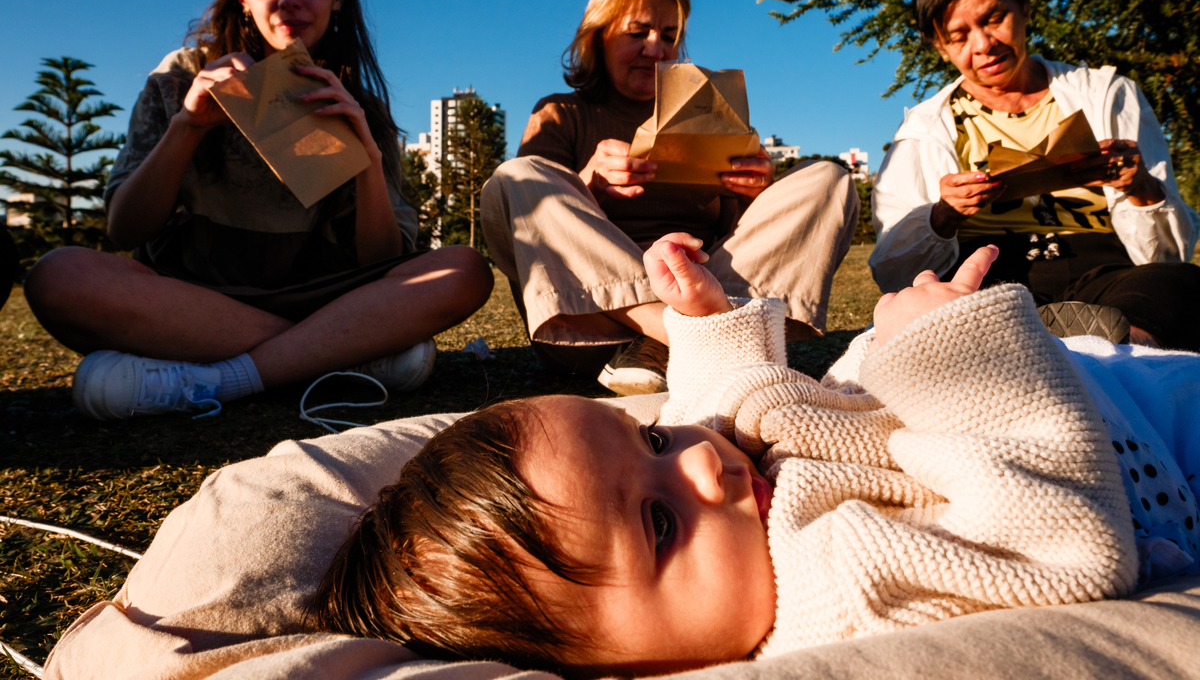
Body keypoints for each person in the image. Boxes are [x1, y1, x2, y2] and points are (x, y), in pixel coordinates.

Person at [309, 234, 1199, 676]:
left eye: (648, 440)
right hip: (1146, 427)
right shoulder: (839, 587)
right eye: (660, 526)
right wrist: (955, 354)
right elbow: (1051, 547)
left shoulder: (723, 503)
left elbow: (708, 403)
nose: (704, 463)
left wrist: (703, 322)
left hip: (1083, 367)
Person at [22, 0, 493, 420]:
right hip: (192, 299)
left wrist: (367, 160)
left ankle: (216, 378)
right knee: (58, 276)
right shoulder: (182, 77)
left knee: (465, 269)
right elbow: (125, 228)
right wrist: (188, 126)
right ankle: (342, 355)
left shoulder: (355, 103)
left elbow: (380, 258)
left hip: (321, 298)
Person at [481, 0, 859, 395]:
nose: (655, 48)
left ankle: (683, 337)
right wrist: (587, 184)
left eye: (668, 35)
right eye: (637, 32)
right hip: (593, 326)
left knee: (828, 179)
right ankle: (691, 334)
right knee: (516, 178)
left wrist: (753, 195)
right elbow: (529, 229)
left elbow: (737, 241)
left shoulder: (708, 116)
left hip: (706, 286)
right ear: (599, 35)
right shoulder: (560, 114)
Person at [870, 0, 1200, 350]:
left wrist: (1141, 187)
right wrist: (942, 215)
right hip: (989, 275)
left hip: (1106, 271)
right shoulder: (923, 129)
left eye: (994, 18)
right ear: (939, 45)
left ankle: (1087, 343)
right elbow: (893, 270)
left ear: (1024, 3)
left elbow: (1168, 255)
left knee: (1182, 286)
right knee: (938, 311)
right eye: (958, 36)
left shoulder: (1106, 94)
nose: (983, 45)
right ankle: (1109, 354)